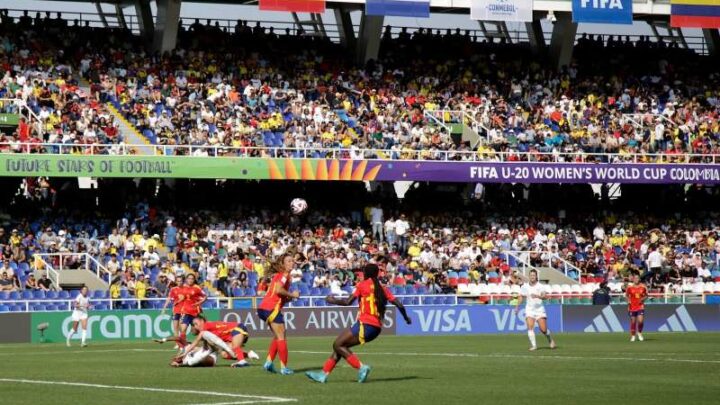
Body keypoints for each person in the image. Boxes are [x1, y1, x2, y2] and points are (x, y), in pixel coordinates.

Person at [306, 263, 412, 384]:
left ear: (366, 274)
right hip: (376, 328)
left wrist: (332, 300)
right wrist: (406, 318)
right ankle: (323, 374)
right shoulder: (382, 288)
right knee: (341, 347)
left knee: (338, 344)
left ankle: (361, 367)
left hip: (365, 324)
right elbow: (399, 304)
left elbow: (348, 302)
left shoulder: (362, 285)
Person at [257, 253, 299, 375]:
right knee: (281, 337)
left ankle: (268, 363)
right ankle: (284, 368)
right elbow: (278, 290)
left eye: (292, 261)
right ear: (283, 264)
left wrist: (289, 298)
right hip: (271, 308)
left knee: (277, 335)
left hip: (264, 308)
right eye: (289, 261)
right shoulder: (285, 275)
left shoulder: (281, 275)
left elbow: (280, 294)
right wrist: (293, 295)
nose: (292, 263)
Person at [515, 270, 556, 351]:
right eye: (531, 275)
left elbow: (544, 296)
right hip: (529, 309)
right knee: (530, 327)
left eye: (534, 275)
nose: (532, 277)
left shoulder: (540, 286)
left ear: (536, 276)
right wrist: (517, 307)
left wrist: (538, 296)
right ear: (529, 276)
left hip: (539, 309)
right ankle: (534, 346)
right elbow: (521, 297)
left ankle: (550, 339)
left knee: (543, 330)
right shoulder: (525, 286)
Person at [160, 275, 186, 348]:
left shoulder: (185, 289)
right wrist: (164, 308)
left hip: (183, 310)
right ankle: (178, 344)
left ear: (183, 281)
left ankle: (183, 343)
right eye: (178, 281)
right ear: (176, 281)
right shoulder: (173, 289)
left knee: (182, 329)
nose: (179, 282)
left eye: (180, 281)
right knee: (175, 328)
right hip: (175, 310)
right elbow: (169, 298)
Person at [625, 272, 647, 342]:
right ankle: (633, 335)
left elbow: (646, 295)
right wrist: (628, 301)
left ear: (639, 279)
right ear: (633, 279)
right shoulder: (629, 287)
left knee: (640, 321)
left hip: (640, 306)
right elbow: (626, 296)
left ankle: (639, 333)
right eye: (635, 278)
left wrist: (643, 299)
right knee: (633, 321)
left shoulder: (643, 287)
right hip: (632, 306)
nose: (636, 279)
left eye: (637, 278)